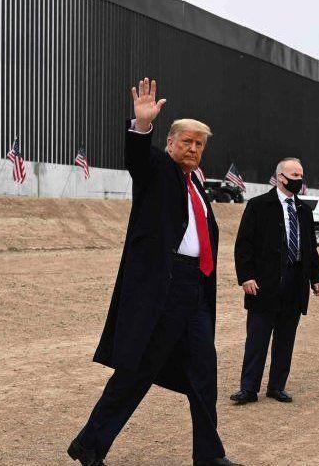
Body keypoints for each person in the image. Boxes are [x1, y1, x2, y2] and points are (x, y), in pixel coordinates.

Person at [68, 78, 241, 466]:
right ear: (170, 143)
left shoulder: (196, 185)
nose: (193, 148)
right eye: (186, 142)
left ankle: (210, 456)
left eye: (199, 144)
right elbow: (137, 159)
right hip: (162, 290)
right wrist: (142, 125)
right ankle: (89, 446)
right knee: (135, 373)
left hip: (194, 290)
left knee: (204, 373)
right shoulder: (159, 171)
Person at [230, 158, 319, 405]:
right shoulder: (259, 206)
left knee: (285, 339)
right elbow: (244, 245)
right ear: (280, 177)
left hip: (295, 284)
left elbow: (310, 248)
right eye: (294, 174)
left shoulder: (304, 211)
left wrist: (316, 278)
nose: (299, 179)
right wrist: (246, 277)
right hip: (264, 284)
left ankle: (277, 387)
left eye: (301, 175)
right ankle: (248, 389)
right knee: (257, 340)